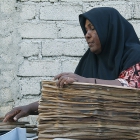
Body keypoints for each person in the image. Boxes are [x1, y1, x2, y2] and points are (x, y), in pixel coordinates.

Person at [3, 7, 140, 122]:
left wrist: (86, 81)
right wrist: (29, 108)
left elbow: (129, 86)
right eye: (86, 30)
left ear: (109, 29)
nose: (87, 35)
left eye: (93, 28)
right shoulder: (90, 60)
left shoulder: (134, 54)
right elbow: (70, 97)